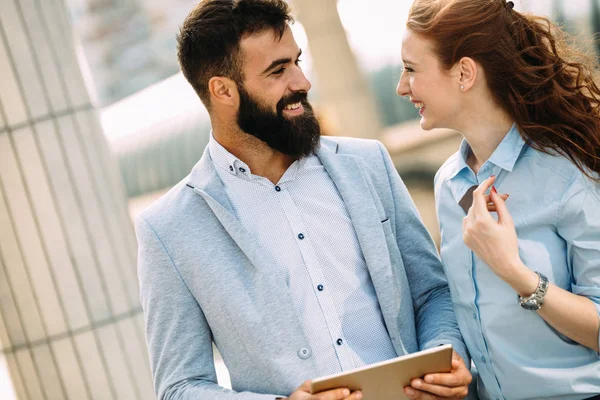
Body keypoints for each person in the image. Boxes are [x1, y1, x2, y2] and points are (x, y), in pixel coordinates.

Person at [136, 0, 473, 399]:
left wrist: (441, 357)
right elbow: (180, 387)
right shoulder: (169, 228)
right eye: (278, 71)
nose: (302, 81)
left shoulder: (367, 163)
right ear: (222, 90)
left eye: (297, 61)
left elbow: (431, 292)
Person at [396, 0, 600, 399]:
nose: (402, 87)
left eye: (411, 69)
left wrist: (515, 273)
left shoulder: (569, 173)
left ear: (464, 73)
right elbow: (465, 310)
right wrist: (449, 364)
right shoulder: (448, 184)